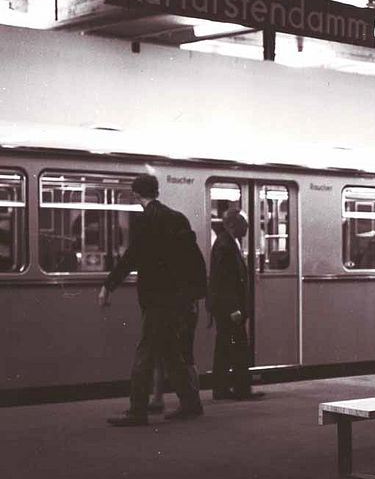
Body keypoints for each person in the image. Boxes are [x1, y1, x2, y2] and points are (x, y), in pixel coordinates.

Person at [99, 174, 204, 426]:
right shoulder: (177, 218)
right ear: (156, 191)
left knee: (145, 353)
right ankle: (191, 403)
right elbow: (194, 258)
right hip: (175, 299)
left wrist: (108, 285)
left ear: (136, 195)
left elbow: (132, 257)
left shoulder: (145, 221)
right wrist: (196, 294)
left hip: (156, 300)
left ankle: (137, 410)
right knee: (170, 353)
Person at [208, 209, 262, 401]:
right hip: (229, 308)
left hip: (227, 307)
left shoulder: (228, 243)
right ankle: (240, 389)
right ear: (232, 225)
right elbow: (225, 280)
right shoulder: (225, 245)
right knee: (237, 347)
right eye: (243, 224)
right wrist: (234, 308)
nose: (247, 227)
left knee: (226, 347)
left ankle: (224, 389)